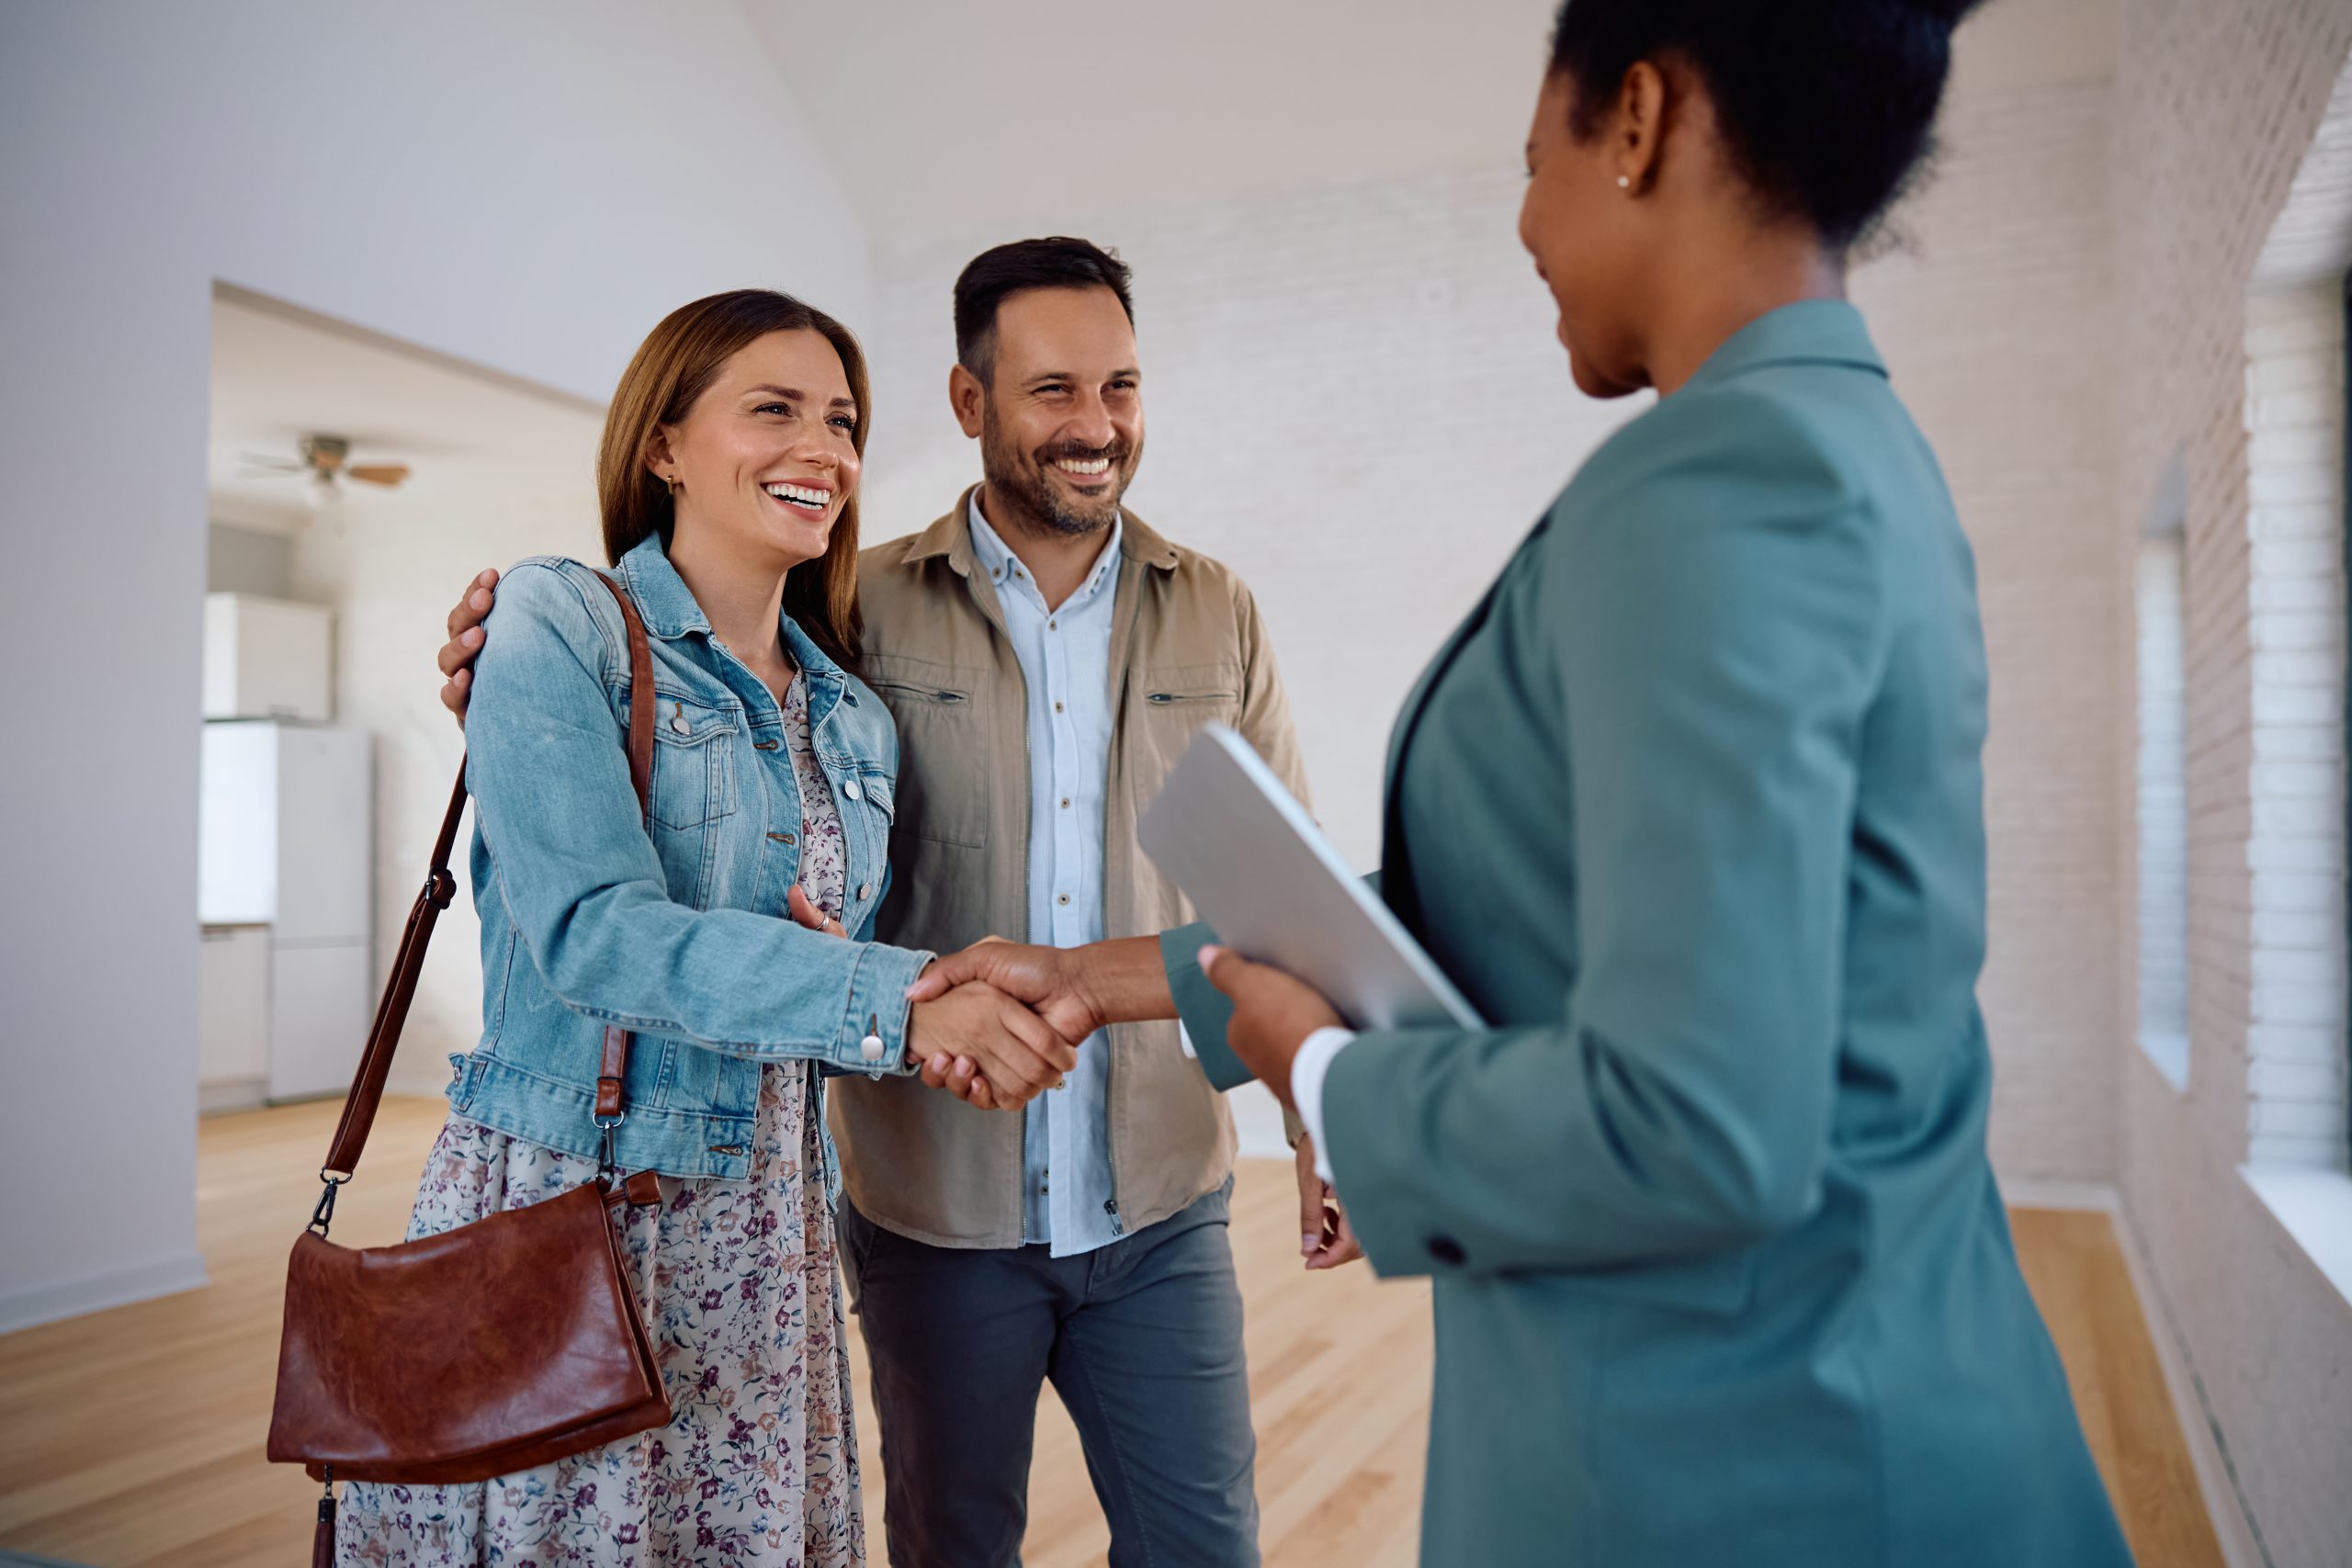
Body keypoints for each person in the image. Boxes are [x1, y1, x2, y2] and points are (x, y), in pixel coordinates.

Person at [910, 3, 2143, 1564]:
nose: (1524, 225)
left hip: (1740, 1459)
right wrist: (1088, 978)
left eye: (1531, 159)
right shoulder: (1839, 446)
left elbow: (1694, 1123)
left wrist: (1331, 1084)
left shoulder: (1722, 486)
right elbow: (1517, 924)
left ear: (1636, 120)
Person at [435, 240, 1342, 1568]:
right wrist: (507, 678)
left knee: (1208, 1544)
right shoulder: (861, 613)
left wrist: (1318, 1108)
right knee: (946, 1541)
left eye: (1122, 387)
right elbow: (666, 800)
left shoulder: (1212, 615)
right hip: (923, 1206)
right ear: (972, 402)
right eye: (1051, 390)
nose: (1095, 426)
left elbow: (1288, 898)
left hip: (1154, 1198)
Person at [343, 289, 1074, 1567]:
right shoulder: (555, 621)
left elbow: (816, 998)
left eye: (842, 421)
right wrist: (891, 995)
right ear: (665, 444)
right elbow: (594, 936)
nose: (825, 450)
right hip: (576, 1206)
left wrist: (915, 1025)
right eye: (774, 410)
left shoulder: (852, 715)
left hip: (767, 1229)